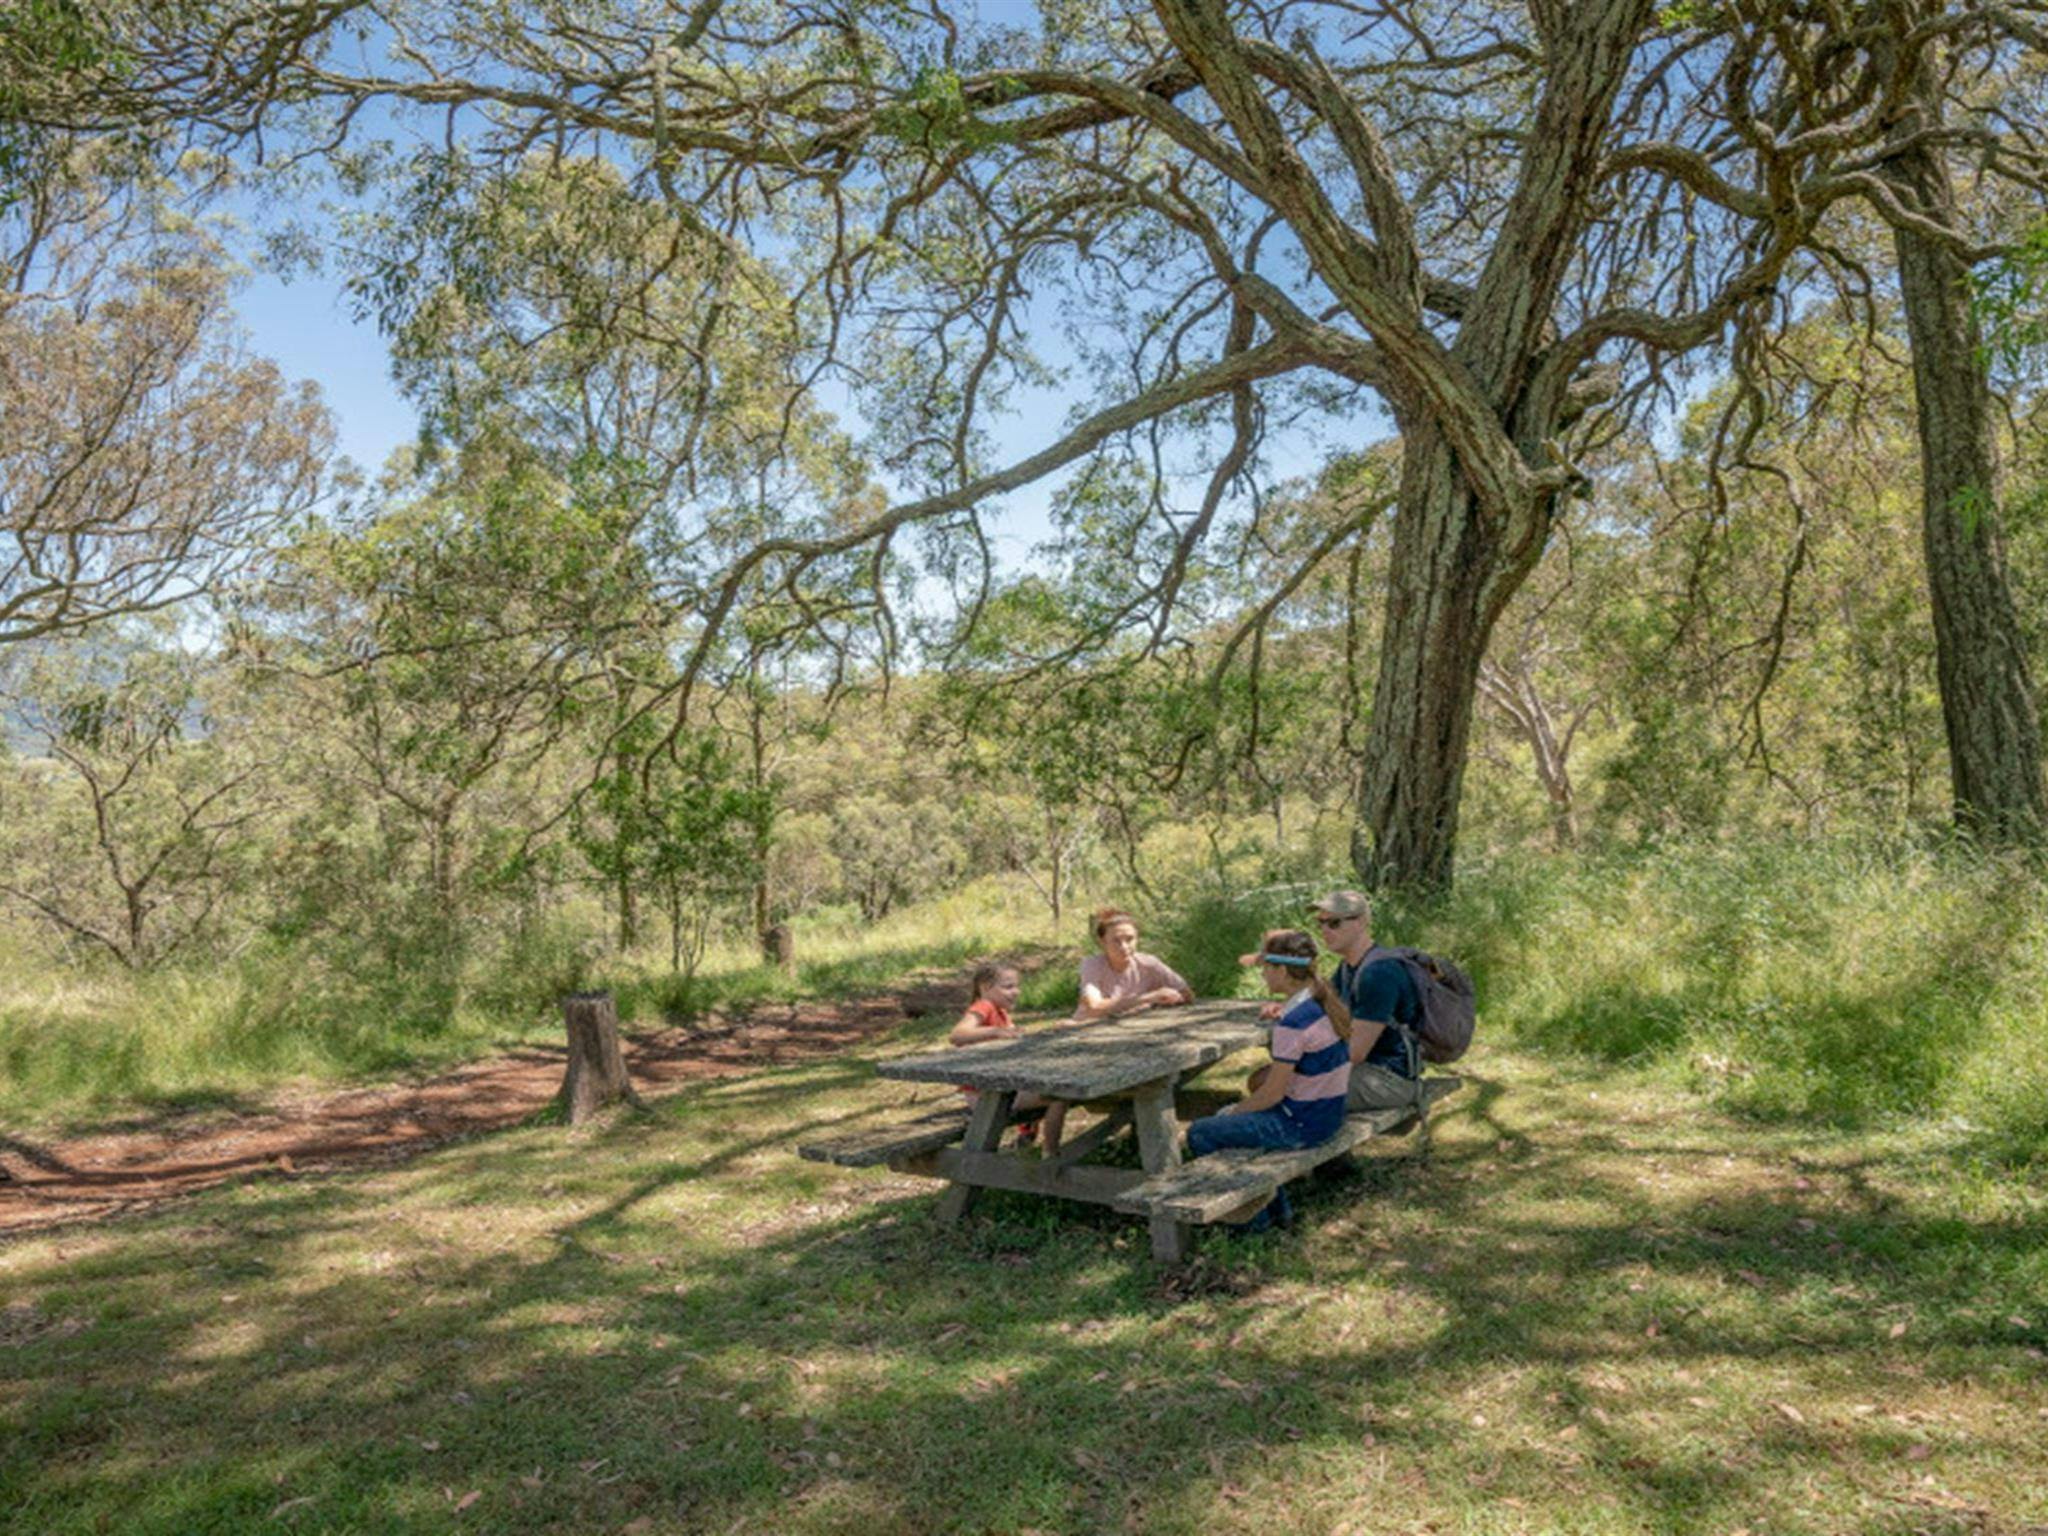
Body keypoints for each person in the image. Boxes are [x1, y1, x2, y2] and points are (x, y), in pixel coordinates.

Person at [1182, 928, 1351, 1230]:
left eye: (1266, 969)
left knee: (1202, 1132)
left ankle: (1252, 1224)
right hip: (1328, 1114)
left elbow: (1272, 1094)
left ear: (1283, 971)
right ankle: (1278, 1212)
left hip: (1302, 1125)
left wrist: (1232, 1112)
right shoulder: (1319, 1002)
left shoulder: (1294, 1021)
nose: (1263, 976)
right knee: (1237, 1121)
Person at [1303, 889, 1425, 1114]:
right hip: (1364, 1068)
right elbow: (1322, 1008)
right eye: (1320, 923)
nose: (1324, 930)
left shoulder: (1378, 973)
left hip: (1389, 1078)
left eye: (1334, 923)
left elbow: (1355, 1052)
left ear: (1360, 922)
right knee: (1268, 1080)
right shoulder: (1348, 967)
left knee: (1280, 1087)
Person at [949, 962, 1065, 1150]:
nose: (1016, 991)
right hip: (982, 1095)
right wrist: (996, 1032)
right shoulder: (984, 1005)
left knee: (1043, 1081)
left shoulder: (1001, 1012)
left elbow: (1014, 1038)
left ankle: (1028, 1137)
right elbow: (957, 1035)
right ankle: (1050, 1154)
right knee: (1059, 1095)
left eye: (1017, 986)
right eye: (1008, 987)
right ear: (986, 988)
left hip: (999, 1087)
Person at [1072, 908, 1194, 1022]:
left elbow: (1186, 993)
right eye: (1116, 940)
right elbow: (1094, 1007)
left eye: (1130, 939)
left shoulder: (1149, 963)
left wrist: (1168, 997)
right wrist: (1148, 998)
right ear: (1103, 942)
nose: (1124, 947)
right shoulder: (1092, 965)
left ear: (1137, 939)